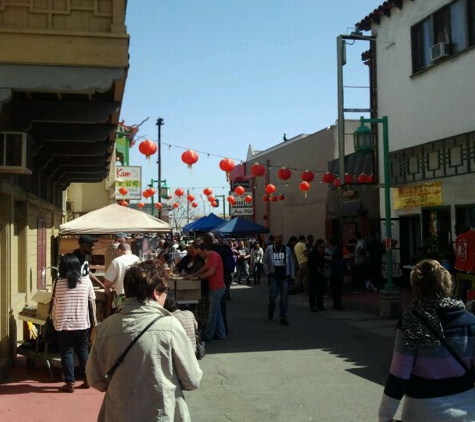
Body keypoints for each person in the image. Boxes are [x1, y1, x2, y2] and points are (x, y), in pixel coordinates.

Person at [86, 260, 203, 422]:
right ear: (156, 292)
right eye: (166, 290)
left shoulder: (105, 328)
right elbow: (192, 379)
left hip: (118, 413)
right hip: (162, 413)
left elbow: (95, 379)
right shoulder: (169, 325)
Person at [378, 259, 475, 422]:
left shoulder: (411, 322)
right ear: (447, 284)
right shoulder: (469, 322)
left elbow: (399, 376)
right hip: (467, 411)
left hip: (423, 412)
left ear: (416, 288)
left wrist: (385, 416)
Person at [53, 253, 95, 393]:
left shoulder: (57, 283)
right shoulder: (86, 282)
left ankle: (70, 382)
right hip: (82, 323)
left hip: (62, 323)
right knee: (83, 350)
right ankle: (87, 379)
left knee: (66, 352)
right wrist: (95, 323)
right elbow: (92, 302)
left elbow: (54, 303)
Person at [188, 243, 226, 342]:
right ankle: (221, 333)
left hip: (217, 288)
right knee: (217, 312)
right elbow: (205, 268)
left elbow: (210, 272)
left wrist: (197, 277)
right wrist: (194, 274)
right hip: (216, 287)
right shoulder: (211, 257)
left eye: (201, 253)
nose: (200, 255)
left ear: (205, 250)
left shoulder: (214, 256)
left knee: (212, 313)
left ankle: (208, 335)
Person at [263, 233, 294, 326]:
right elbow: (265, 262)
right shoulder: (269, 249)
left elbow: (291, 263)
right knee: (273, 296)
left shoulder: (287, 249)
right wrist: (268, 273)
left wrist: (292, 277)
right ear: (274, 239)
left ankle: (283, 317)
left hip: (284, 277)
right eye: (278, 237)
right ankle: (271, 308)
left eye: (281, 237)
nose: (280, 239)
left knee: (284, 298)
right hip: (274, 277)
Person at [103, 243, 141, 310]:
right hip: (138, 297)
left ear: (119, 251)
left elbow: (107, 283)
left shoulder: (117, 261)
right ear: (130, 251)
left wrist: (107, 289)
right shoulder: (139, 260)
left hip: (123, 297)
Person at [307, 239, 326, 312]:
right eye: (321, 248)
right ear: (318, 247)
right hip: (313, 274)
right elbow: (310, 264)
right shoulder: (313, 254)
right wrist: (317, 268)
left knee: (320, 290)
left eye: (323, 248)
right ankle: (313, 305)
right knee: (313, 291)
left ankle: (320, 304)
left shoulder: (322, 254)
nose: (322, 249)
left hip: (320, 274)